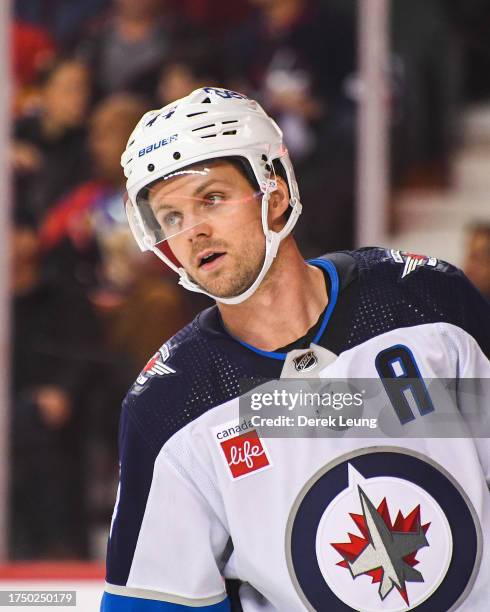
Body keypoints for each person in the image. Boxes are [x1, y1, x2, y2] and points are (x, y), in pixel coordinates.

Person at [101, 88, 490, 610]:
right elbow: (157, 603)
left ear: (276, 192)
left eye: (211, 198)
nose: (192, 232)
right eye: (170, 218)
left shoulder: (424, 302)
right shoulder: (170, 406)